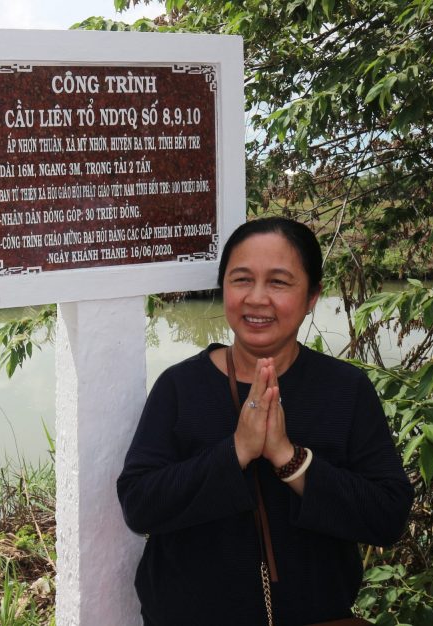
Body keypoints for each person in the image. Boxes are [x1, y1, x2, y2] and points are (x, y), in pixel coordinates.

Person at [117, 217, 414, 625]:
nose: (257, 299)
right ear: (223, 289)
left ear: (312, 296)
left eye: (278, 282)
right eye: (242, 280)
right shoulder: (181, 387)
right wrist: (236, 450)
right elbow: (140, 506)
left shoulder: (345, 389)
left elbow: (387, 517)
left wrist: (289, 459)